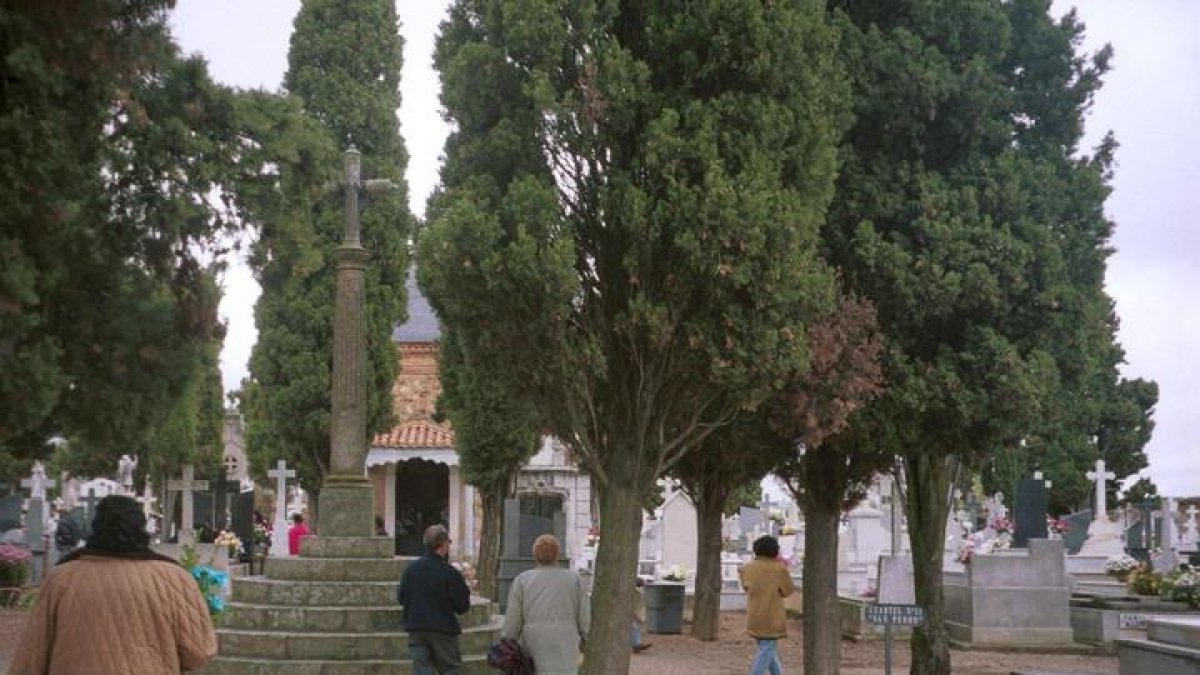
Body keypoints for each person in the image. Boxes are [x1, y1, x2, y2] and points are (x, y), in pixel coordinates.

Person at [10, 494, 216, 674]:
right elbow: (198, 651)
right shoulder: (175, 579)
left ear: (96, 527)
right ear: (141, 528)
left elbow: (32, 655)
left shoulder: (62, 578)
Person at [502, 534, 591, 675]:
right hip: (565, 639)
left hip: (533, 641)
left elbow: (513, 618)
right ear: (557, 554)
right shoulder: (574, 580)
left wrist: (508, 639)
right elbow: (584, 614)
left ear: (535, 555)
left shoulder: (522, 580)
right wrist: (586, 636)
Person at [397, 524, 471, 674]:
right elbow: (462, 606)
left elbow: (401, 597)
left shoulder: (410, 570)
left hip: (416, 627)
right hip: (442, 629)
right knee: (451, 668)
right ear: (443, 545)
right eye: (448, 543)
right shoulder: (449, 572)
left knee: (422, 670)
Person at [739, 534, 794, 675]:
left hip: (754, 614)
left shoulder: (747, 568)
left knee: (767, 649)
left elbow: (746, 587)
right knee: (766, 650)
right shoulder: (779, 569)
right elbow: (787, 590)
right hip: (772, 616)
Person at [631, 577, 652, 654]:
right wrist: (637, 617)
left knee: (635, 628)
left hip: (634, 615)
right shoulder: (636, 594)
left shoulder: (638, 594)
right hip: (631, 615)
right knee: (634, 627)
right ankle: (636, 644)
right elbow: (631, 607)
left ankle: (636, 644)